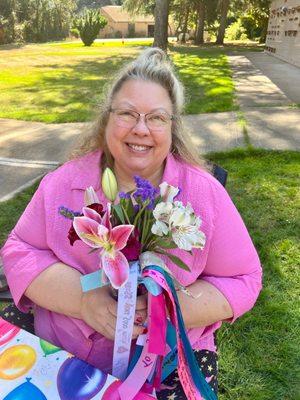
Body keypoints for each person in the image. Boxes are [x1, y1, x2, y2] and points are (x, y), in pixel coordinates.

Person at [0, 48, 262, 399]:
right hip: (62, 345)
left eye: (156, 117)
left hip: (165, 361)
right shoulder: (63, 183)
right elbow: (19, 250)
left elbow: (244, 279)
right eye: (127, 113)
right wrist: (82, 300)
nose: (141, 129)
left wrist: (169, 311)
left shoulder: (205, 194)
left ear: (173, 128)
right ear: (106, 120)